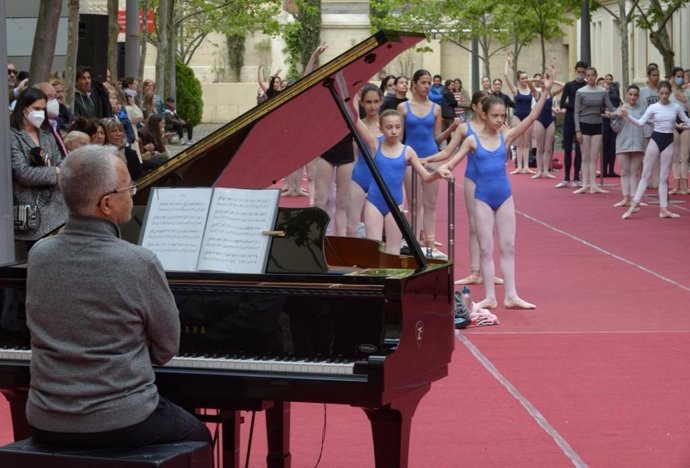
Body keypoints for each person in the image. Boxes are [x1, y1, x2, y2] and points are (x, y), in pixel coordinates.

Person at [25, 145, 212, 449]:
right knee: (199, 435)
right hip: (121, 419)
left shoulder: (39, 254)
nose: (134, 192)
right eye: (129, 187)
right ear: (107, 204)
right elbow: (166, 350)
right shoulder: (139, 261)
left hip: (45, 418)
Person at [437, 73, 555, 309]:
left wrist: (544, 93)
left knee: (508, 245)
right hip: (482, 197)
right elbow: (452, 161)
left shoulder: (506, 136)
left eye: (503, 116)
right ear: (483, 114)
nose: (500, 120)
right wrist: (444, 169)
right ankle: (490, 296)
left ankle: (511, 295)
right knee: (485, 246)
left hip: (504, 197)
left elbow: (532, 117)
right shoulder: (472, 140)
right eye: (495, 116)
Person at [423, 91, 503, 286]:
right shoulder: (465, 129)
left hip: (492, 182)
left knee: (490, 227)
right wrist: (426, 159)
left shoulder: (498, 127)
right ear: (475, 107)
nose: (487, 108)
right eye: (483, 104)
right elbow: (448, 153)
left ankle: (488, 270)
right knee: (475, 226)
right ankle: (475, 272)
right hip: (472, 180)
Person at [355, 109, 443, 254]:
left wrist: (437, 174)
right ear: (380, 128)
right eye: (389, 127)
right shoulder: (374, 145)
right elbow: (356, 120)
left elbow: (426, 177)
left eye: (397, 126)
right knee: (373, 251)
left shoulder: (408, 151)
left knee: (393, 251)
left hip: (396, 204)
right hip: (373, 202)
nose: (394, 131)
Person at [397, 69, 457, 259]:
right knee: (414, 202)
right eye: (423, 82)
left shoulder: (436, 108)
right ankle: (413, 241)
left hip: (431, 156)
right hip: (410, 158)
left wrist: (452, 129)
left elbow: (436, 138)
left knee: (430, 203)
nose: (427, 85)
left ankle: (430, 242)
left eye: (429, 82)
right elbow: (398, 137)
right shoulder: (403, 108)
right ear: (414, 84)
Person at [620, 81, 690, 219]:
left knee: (663, 177)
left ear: (669, 93)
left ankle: (663, 209)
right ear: (658, 93)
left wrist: (682, 126)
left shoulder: (675, 107)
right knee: (645, 174)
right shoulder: (653, 107)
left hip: (669, 140)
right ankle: (635, 204)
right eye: (661, 93)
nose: (664, 96)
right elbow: (640, 123)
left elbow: (687, 122)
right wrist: (627, 116)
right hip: (656, 139)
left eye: (666, 93)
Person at [9, 87, 68, 248]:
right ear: (23, 108)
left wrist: (58, 171)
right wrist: (54, 173)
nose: (40, 113)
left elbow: (60, 163)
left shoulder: (47, 134)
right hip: (31, 211)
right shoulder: (12, 135)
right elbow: (23, 173)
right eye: (36, 109)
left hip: (58, 210)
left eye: (43, 109)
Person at [347, 84, 383, 237]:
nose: (372, 106)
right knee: (352, 225)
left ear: (381, 101)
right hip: (360, 175)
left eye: (376, 101)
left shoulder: (389, 126)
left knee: (376, 226)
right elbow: (354, 153)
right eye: (368, 102)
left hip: (381, 177)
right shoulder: (358, 125)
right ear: (362, 103)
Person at [573, 67, 616, 194]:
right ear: (586, 77)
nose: (591, 77)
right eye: (589, 75)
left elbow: (610, 106)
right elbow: (576, 112)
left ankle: (594, 185)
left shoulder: (602, 91)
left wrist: (623, 111)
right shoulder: (580, 92)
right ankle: (585, 184)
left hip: (597, 124)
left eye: (593, 75)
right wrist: (577, 130)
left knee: (594, 157)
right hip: (584, 125)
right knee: (585, 157)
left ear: (596, 76)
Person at [610, 84, 646, 208]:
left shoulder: (642, 109)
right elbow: (614, 128)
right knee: (624, 171)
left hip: (637, 143)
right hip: (623, 143)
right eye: (630, 94)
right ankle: (625, 198)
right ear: (626, 95)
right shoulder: (620, 109)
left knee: (635, 172)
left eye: (635, 95)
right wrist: (619, 116)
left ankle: (634, 198)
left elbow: (647, 123)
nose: (633, 97)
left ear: (638, 96)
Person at [504, 53, 538, 174]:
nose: (525, 80)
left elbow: (537, 92)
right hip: (518, 116)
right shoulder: (515, 90)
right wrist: (507, 61)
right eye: (523, 78)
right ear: (518, 80)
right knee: (519, 142)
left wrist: (531, 81)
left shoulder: (531, 90)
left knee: (526, 142)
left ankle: (526, 166)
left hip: (528, 117)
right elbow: (505, 75)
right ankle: (519, 167)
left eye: (526, 78)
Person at [556, 60, 588, 188]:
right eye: (579, 72)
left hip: (582, 119)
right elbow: (562, 103)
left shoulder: (587, 86)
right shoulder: (569, 85)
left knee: (580, 149)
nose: (580, 74)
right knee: (568, 148)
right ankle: (566, 178)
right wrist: (574, 106)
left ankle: (576, 177)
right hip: (569, 118)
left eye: (583, 72)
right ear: (575, 71)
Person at [531, 67, 563, 179]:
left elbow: (564, 86)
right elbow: (528, 82)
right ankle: (539, 171)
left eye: (545, 81)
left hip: (550, 121)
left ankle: (546, 171)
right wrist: (537, 79)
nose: (544, 82)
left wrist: (553, 79)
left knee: (548, 148)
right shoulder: (537, 94)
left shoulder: (551, 93)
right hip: (539, 121)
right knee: (539, 148)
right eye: (542, 82)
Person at [669, 66, 690, 194]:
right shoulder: (669, 93)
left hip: (686, 123)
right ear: (672, 77)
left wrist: (685, 100)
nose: (680, 79)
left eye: (682, 76)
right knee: (675, 156)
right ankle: (676, 186)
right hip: (673, 124)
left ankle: (685, 186)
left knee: (685, 156)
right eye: (678, 76)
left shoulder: (687, 92)